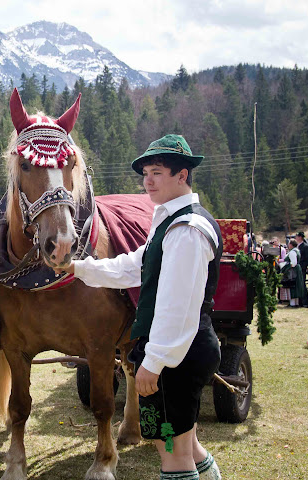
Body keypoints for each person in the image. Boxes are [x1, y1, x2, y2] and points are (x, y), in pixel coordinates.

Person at [55, 134, 222, 480]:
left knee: (172, 453)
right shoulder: (171, 222)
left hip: (177, 358)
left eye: (157, 172)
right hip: (183, 353)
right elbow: (132, 266)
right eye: (145, 172)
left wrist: (154, 362)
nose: (147, 180)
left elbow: (178, 306)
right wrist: (78, 267)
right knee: (185, 443)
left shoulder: (186, 230)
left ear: (183, 175)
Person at [280, 239, 304, 307]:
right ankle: (295, 303)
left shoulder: (292, 252)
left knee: (292, 285)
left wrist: (285, 266)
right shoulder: (297, 250)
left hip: (292, 271)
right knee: (295, 285)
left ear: (291, 244)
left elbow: (293, 263)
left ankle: (292, 303)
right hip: (296, 270)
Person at [295, 232, 308, 307]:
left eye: (297, 236)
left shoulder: (305, 247)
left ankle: (305, 302)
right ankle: (299, 301)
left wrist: (303, 266)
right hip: (297, 268)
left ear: (300, 237)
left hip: (302, 268)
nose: (295, 238)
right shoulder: (297, 247)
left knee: (302, 284)